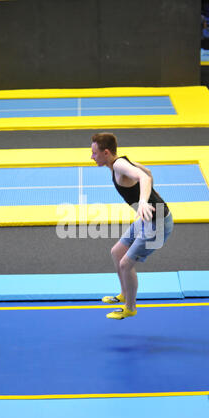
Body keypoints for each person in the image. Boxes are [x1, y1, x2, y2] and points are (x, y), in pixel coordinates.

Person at [91, 132, 174, 320]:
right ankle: (124, 293)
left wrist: (144, 201)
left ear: (105, 152)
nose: (91, 157)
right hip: (148, 219)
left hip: (158, 224)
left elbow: (144, 178)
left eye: (94, 153)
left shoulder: (119, 165)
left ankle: (130, 308)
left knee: (126, 264)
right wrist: (153, 196)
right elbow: (149, 173)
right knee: (116, 252)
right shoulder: (119, 162)